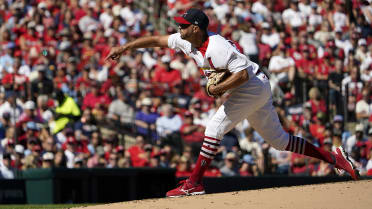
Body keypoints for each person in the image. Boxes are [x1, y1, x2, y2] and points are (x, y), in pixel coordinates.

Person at [106, 8, 358, 197]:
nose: (179, 30)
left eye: (183, 26)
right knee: (279, 142)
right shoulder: (186, 40)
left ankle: (194, 183)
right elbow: (157, 40)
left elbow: (243, 73)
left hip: (252, 85)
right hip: (256, 86)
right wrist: (126, 46)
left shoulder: (217, 47)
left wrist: (218, 88)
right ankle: (336, 158)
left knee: (214, 128)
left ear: (196, 28)